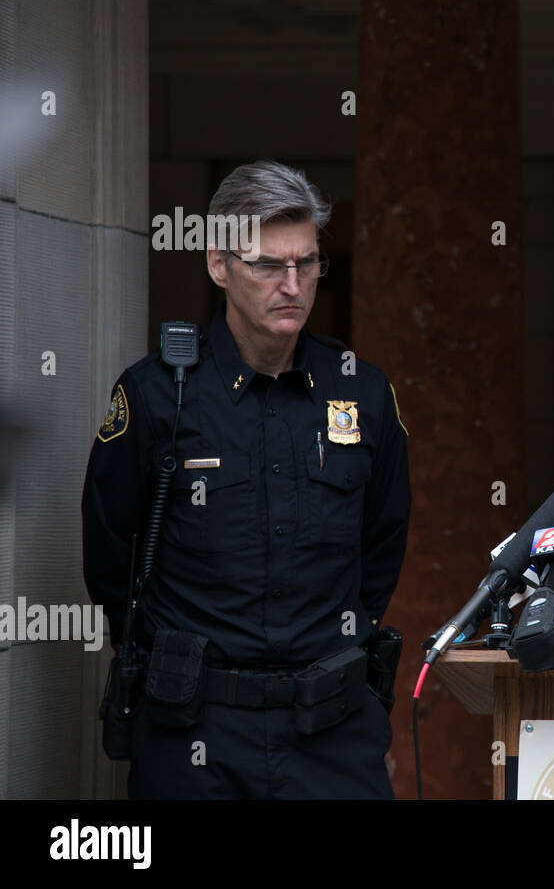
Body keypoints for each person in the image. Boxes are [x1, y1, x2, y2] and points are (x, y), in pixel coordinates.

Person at [82, 160, 411, 798]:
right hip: (194, 731)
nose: (292, 285)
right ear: (219, 266)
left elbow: (382, 542)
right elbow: (111, 553)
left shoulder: (362, 392)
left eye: (308, 263)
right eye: (268, 265)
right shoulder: (156, 395)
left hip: (331, 729)